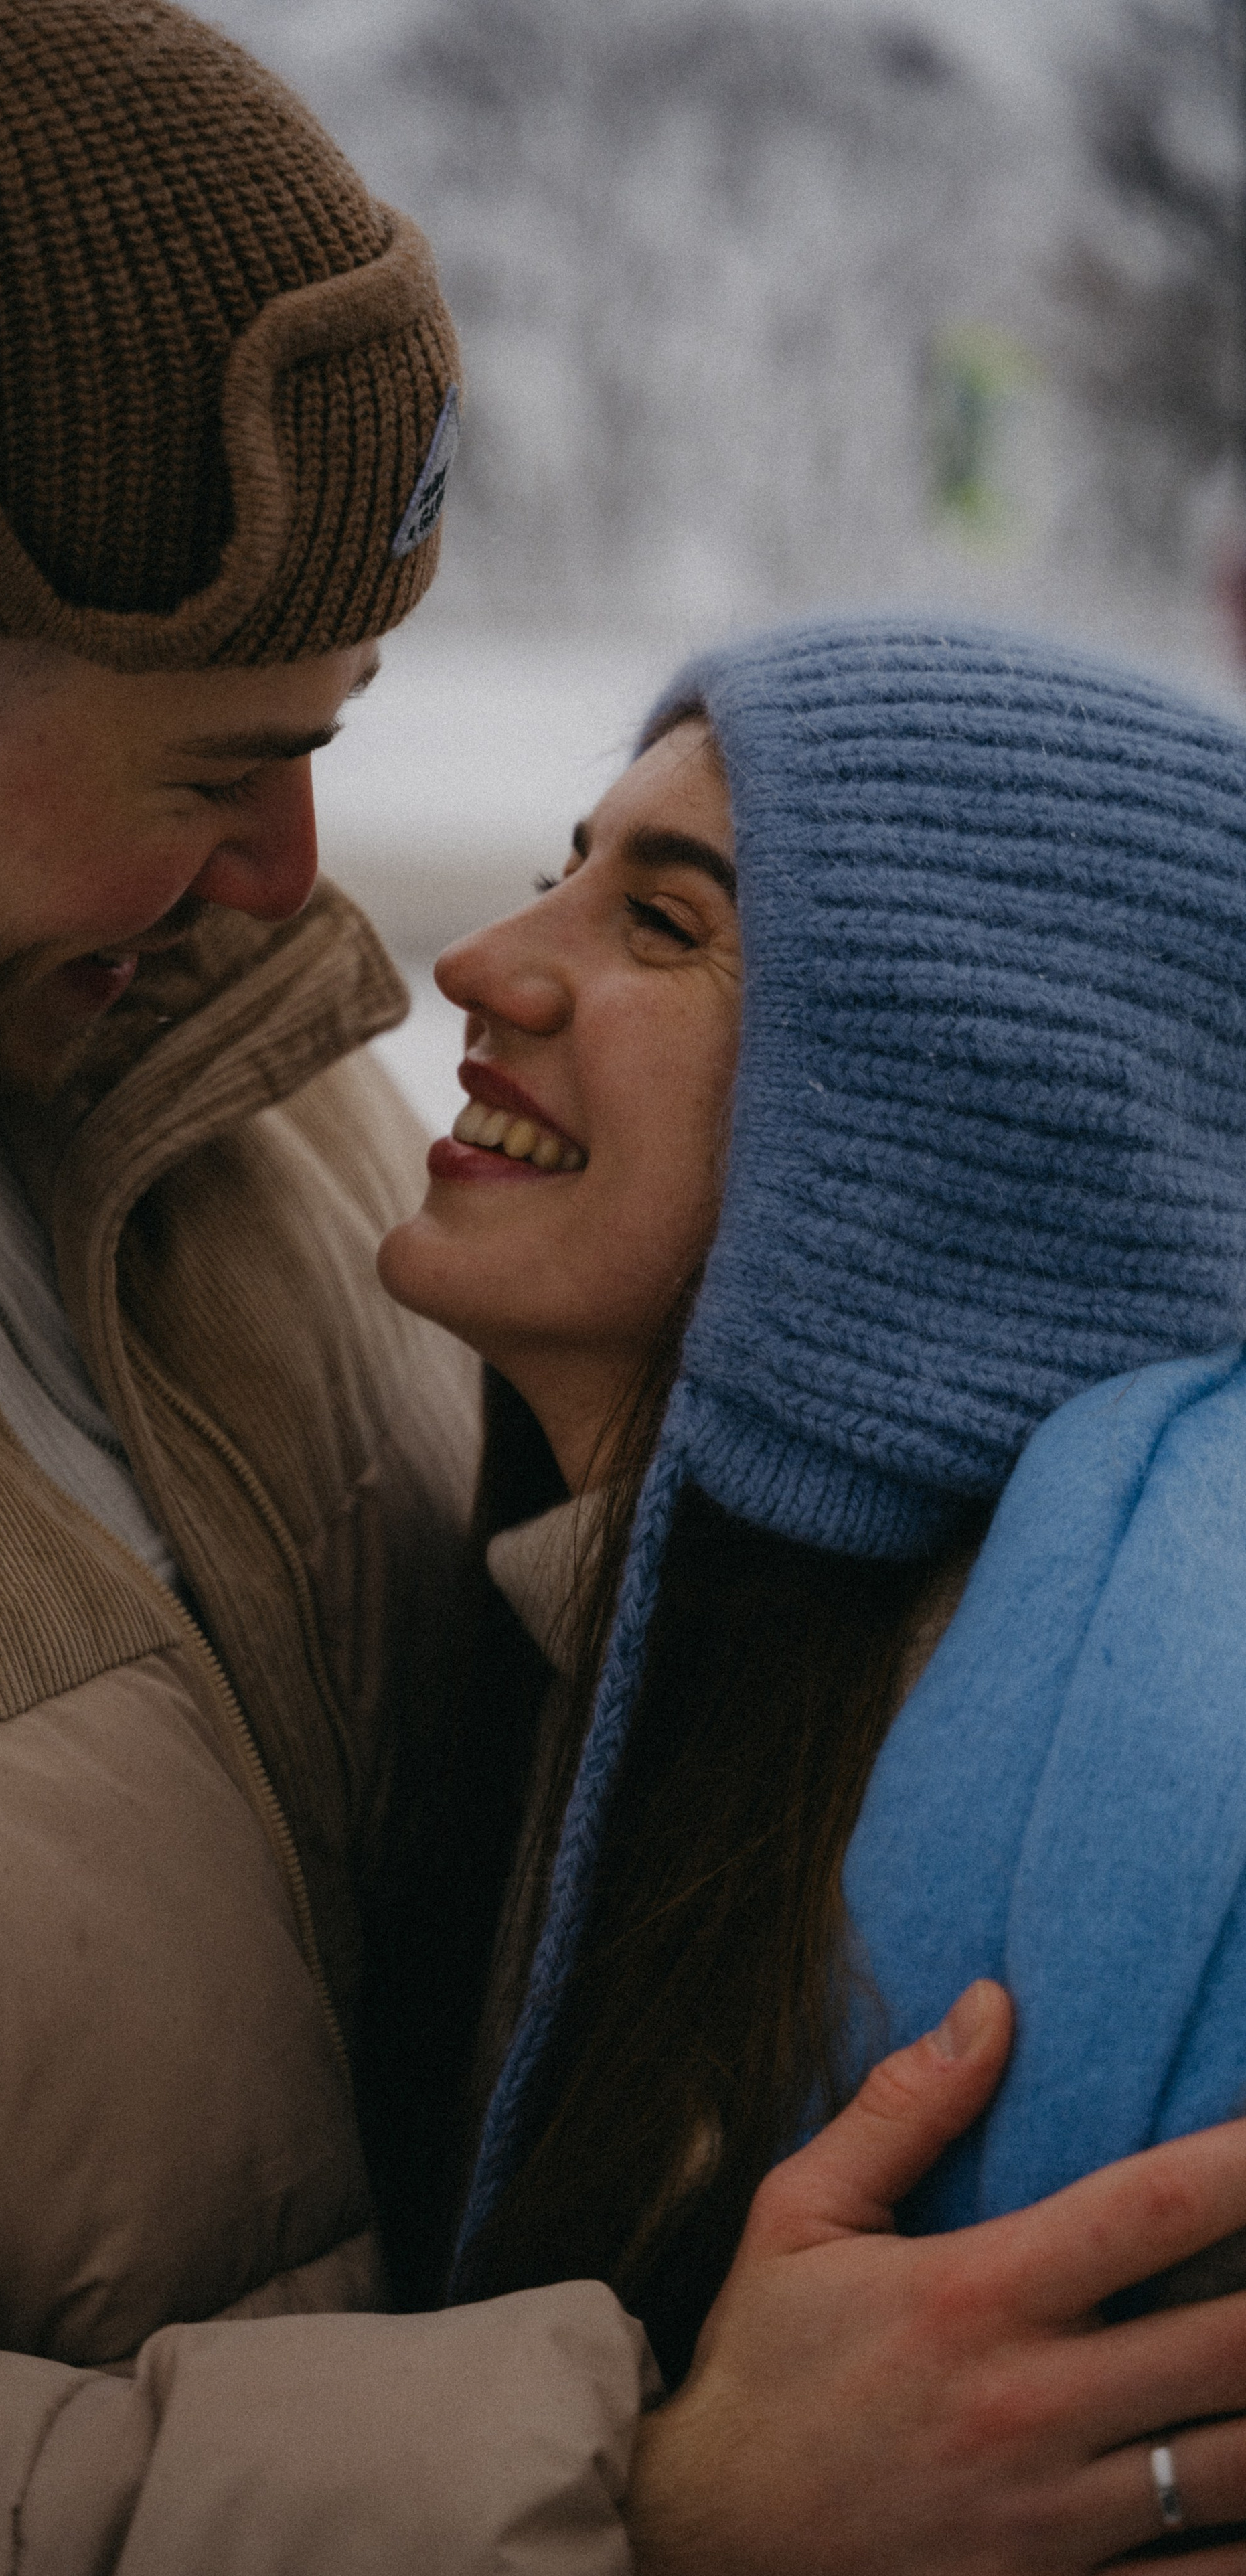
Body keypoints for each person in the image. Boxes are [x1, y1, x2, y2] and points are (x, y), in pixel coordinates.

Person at [0, 4, 1246, 2567]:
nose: (313, 901)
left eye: (333, 742)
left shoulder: (171, 1049)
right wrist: (639, 2508)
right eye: (218, 770)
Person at [376, 613, 1246, 2565]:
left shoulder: (1168, 1845)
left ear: (964, 1130)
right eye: (557, 876)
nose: (484, 965)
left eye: (664, 924)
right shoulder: (546, 1639)